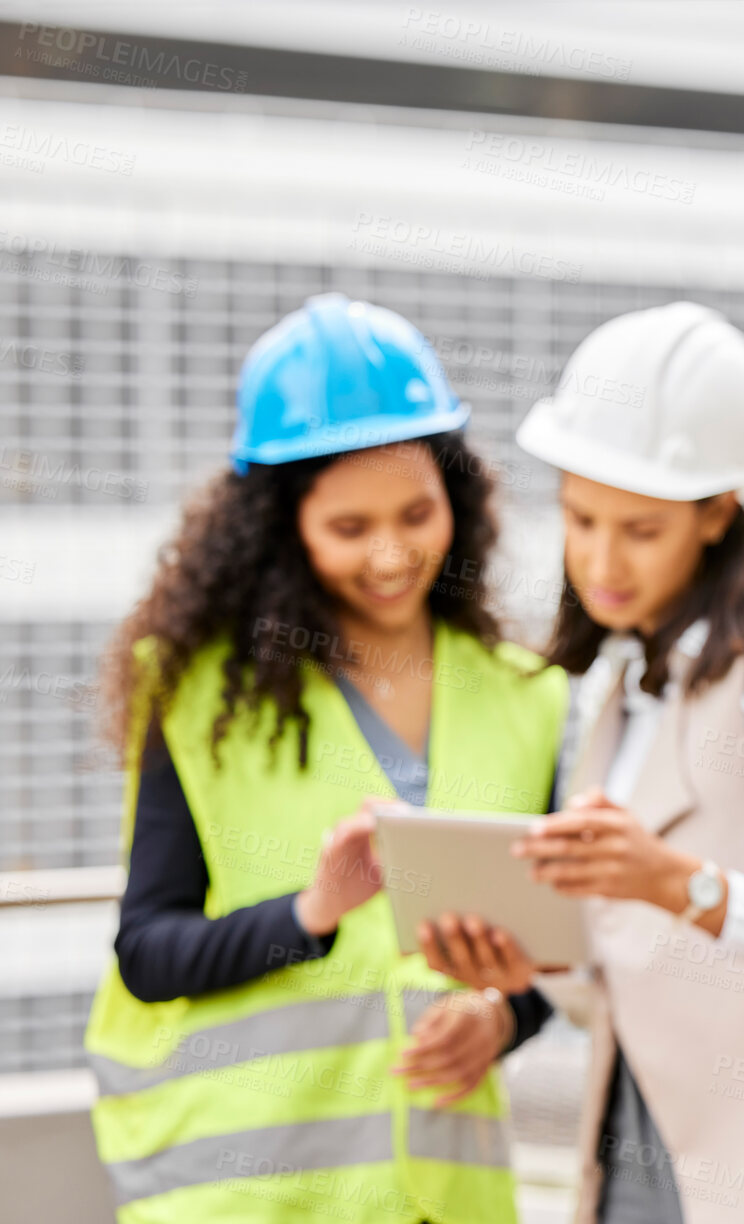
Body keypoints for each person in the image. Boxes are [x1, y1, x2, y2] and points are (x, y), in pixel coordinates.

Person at [81, 293, 570, 1223]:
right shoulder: (194, 697)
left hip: (444, 1197)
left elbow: (558, 950)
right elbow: (148, 953)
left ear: (456, 500)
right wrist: (310, 913)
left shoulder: (526, 697)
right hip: (245, 1196)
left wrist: (504, 1018)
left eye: (417, 514)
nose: (392, 554)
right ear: (280, 529)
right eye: (349, 528)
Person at [419, 301, 744, 1224]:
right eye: (580, 518)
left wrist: (686, 886)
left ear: (720, 509)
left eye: (639, 530)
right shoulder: (624, 685)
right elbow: (631, 963)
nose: (601, 560)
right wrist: (510, 976)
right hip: (640, 1151)